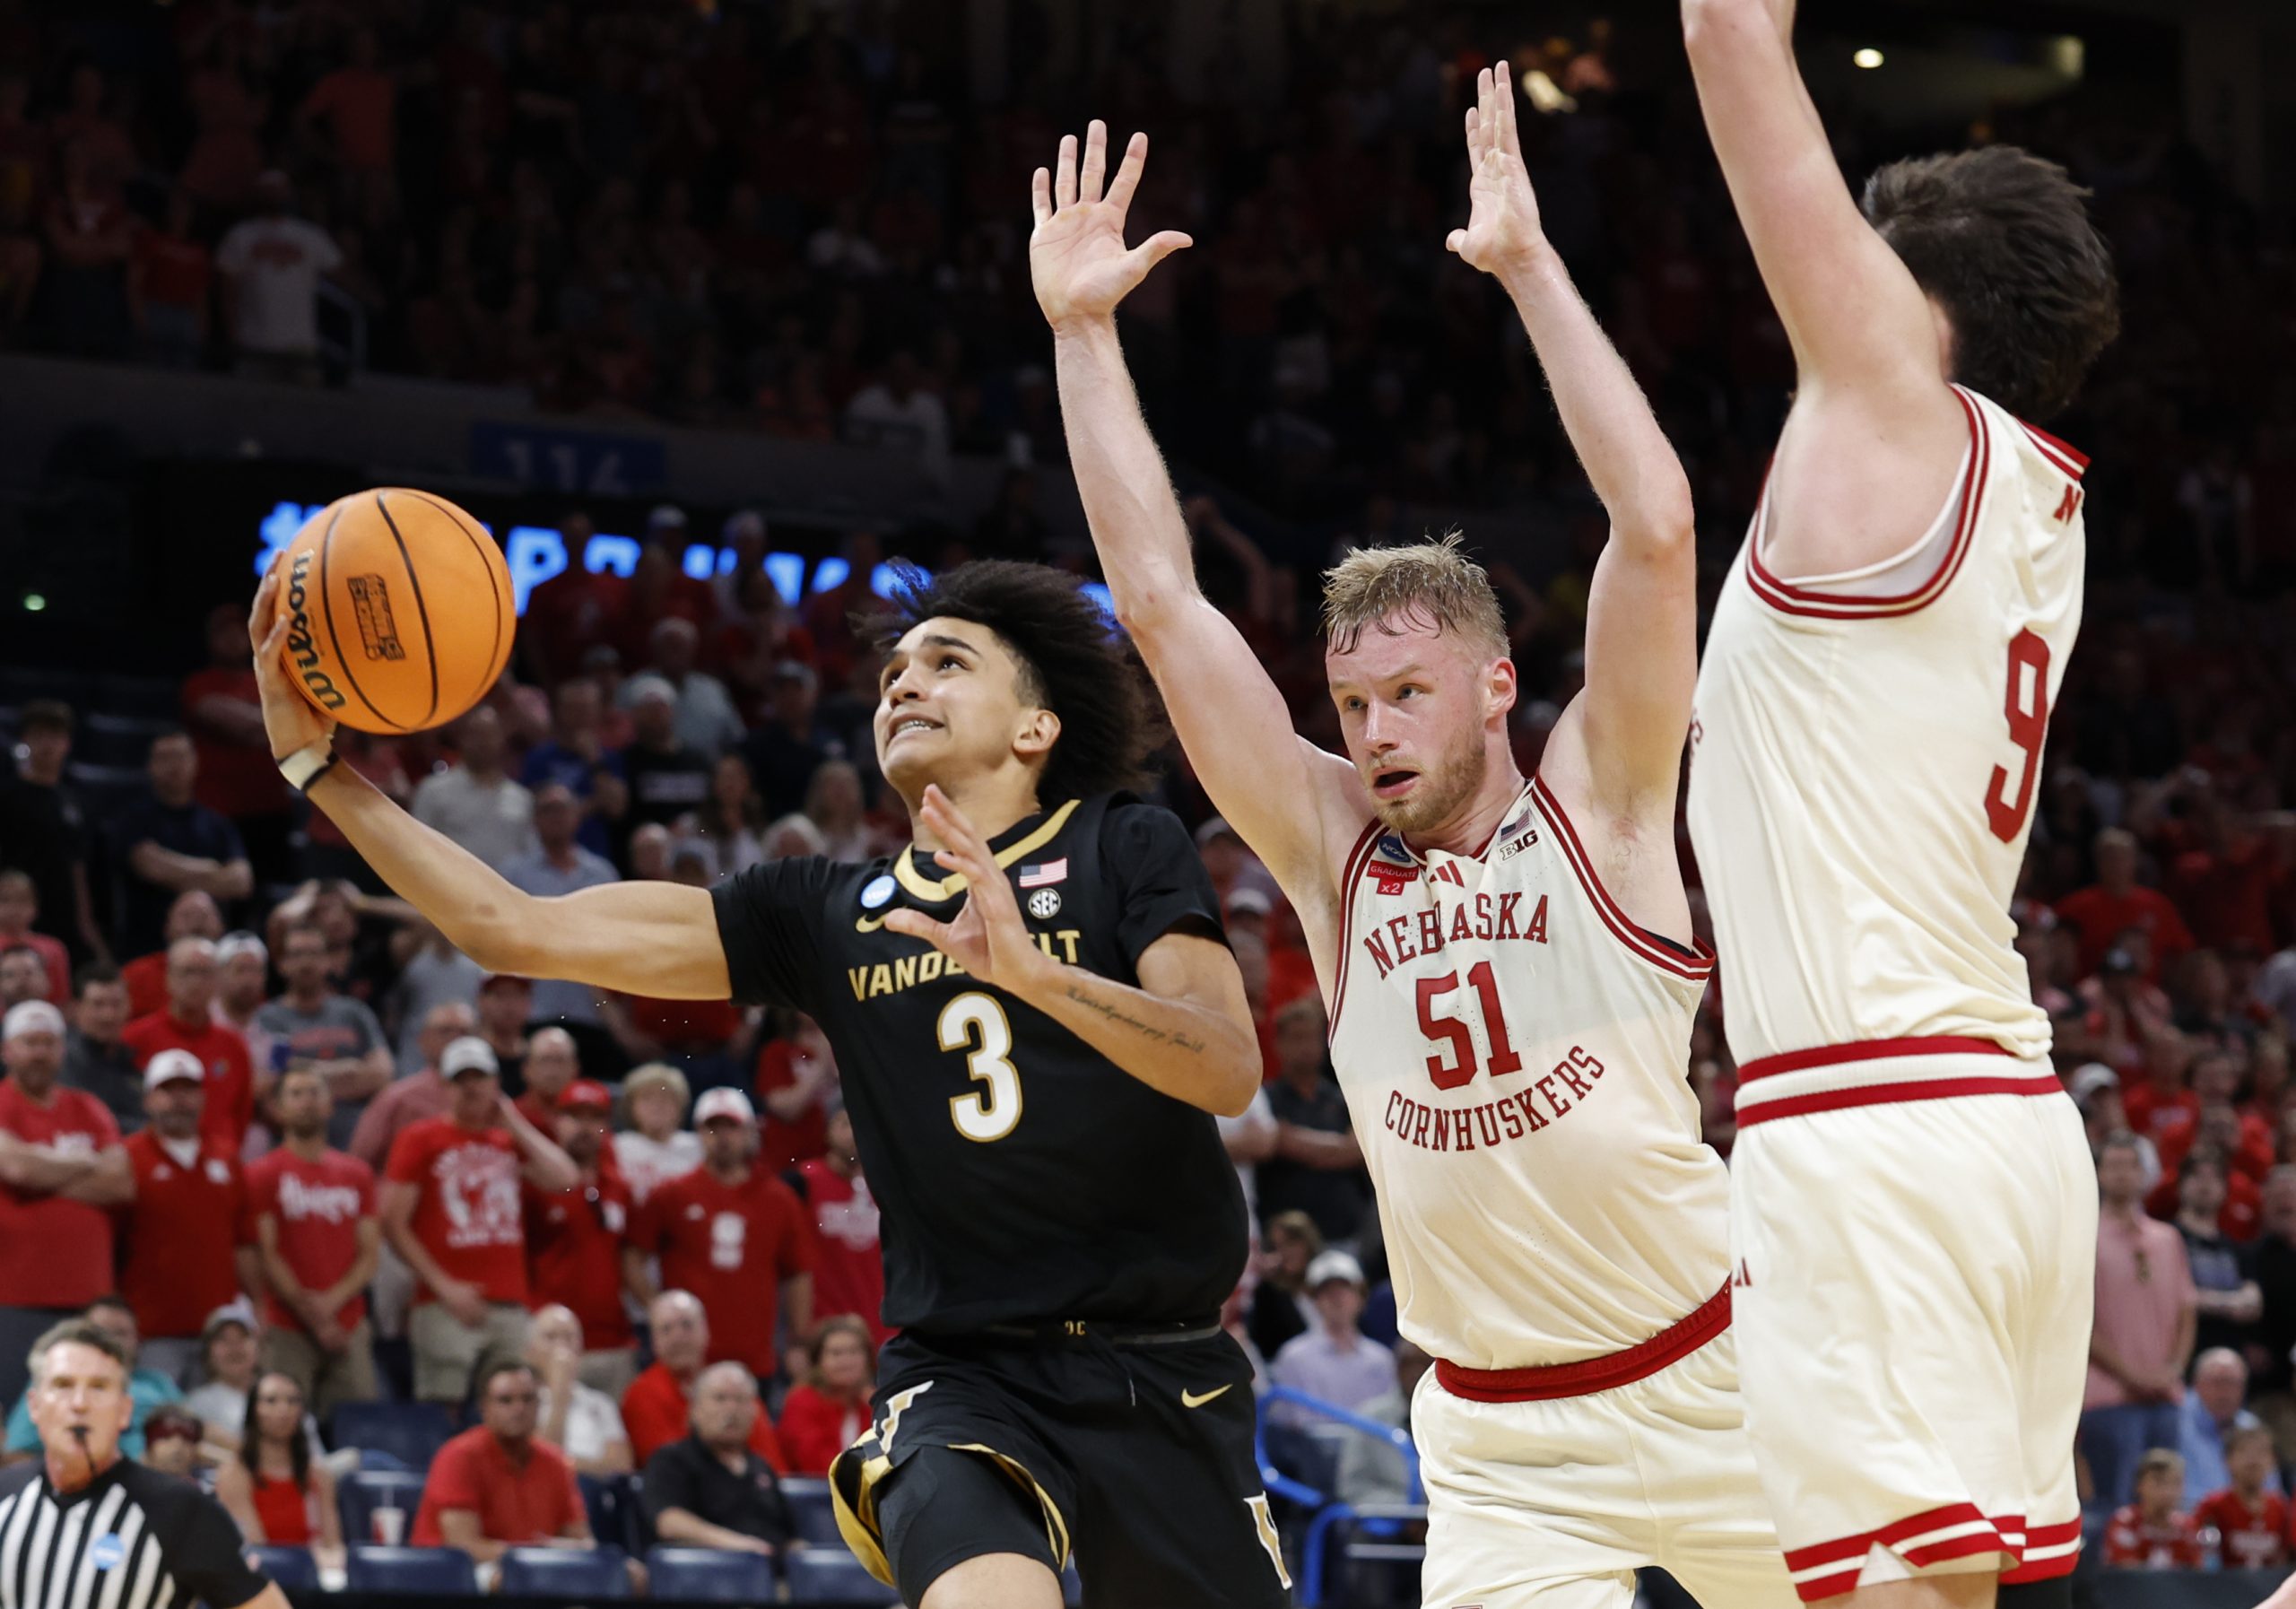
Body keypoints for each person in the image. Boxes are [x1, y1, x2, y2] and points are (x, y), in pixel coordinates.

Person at [251, 513, 1272, 1609]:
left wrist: (1038, 976)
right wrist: (316, 766)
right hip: (966, 1375)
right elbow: (512, 926)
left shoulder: (1123, 843)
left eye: (946, 660)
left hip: (1162, 1364)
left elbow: (1223, 1067)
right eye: (891, 670)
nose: (902, 682)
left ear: (1034, 727)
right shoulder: (822, 913)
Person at [1048, 101, 1783, 1609]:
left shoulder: (1604, 794)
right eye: (1352, 702)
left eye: (1405, 693)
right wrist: (1081, 335)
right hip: (1500, 1443)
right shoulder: (1332, 847)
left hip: (1724, 1380)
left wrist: (1524, 268)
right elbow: (1163, 601)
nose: (1372, 729)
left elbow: (1654, 524)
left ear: (1495, 683)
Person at [1680, 0, 2122, 1594]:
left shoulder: (1887, 422)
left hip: (1870, 1121)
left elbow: (1731, 35)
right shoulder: (2019, 495)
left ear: (1908, 298)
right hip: (1998, 1124)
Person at [0, 1319, 287, 1609]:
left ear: (125, 1410)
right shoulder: (4, 1498)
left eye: (98, 1387)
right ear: (34, 1405)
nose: (79, 1403)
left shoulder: (180, 1510)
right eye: (63, 1385)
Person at [380, 1037, 578, 1405]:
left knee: (518, 1404)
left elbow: (566, 1178)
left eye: (480, 1077)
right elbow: (392, 1221)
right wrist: (443, 1286)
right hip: (444, 1302)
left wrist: (512, 1121)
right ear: (445, 1087)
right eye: (461, 1079)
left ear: (496, 1083)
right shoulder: (420, 1138)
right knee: (444, 1405)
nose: (471, 1087)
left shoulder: (507, 1140)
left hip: (511, 1302)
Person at [625, 1089, 813, 1382]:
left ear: (750, 1131)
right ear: (698, 1133)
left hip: (754, 1355)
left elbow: (798, 1272)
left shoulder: (780, 1199)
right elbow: (633, 1256)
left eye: (732, 1127)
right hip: (687, 1359)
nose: (722, 1137)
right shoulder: (671, 1194)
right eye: (712, 1128)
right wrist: (660, 1310)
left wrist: (799, 1340)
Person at [0, 1001, 132, 1406]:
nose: (39, 1052)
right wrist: (86, 1163)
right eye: (29, 1042)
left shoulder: (88, 1107)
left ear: (62, 1049)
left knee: (87, 1411)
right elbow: (16, 1168)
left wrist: (43, 1174)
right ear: (7, 1051)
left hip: (89, 1299)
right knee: (17, 1413)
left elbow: (121, 1183)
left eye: (48, 1042)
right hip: (16, 1297)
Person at [246, 1065, 380, 1416]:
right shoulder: (262, 1173)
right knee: (280, 1421)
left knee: (357, 1422)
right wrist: (316, 1317)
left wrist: (331, 1304)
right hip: (286, 1322)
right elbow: (267, 1253)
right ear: (278, 1108)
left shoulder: (358, 1174)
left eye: (314, 1092)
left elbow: (369, 1254)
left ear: (330, 1105)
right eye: (296, 1093)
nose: (306, 1101)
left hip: (348, 1321)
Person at [117, 1050, 250, 1383]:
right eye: (168, 1090)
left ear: (203, 1098)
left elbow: (245, 1241)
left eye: (188, 1090)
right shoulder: (126, 1157)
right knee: (159, 1420)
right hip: (152, 1329)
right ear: (148, 1099)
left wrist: (257, 1305)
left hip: (218, 1331)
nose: (179, 1100)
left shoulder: (227, 1156)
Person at [2085, 1131, 2198, 1509]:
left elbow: (2187, 1309)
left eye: (2130, 1165)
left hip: (2166, 1395)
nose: (2122, 1174)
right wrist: (2132, 1375)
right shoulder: (2085, 1237)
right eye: (2112, 1165)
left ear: (2145, 1173)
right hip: (2109, 1396)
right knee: (2117, 1506)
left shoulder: (2169, 1238)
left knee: (2168, 1506)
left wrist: (2174, 1368)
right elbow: (2081, 1322)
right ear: (2098, 1174)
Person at [411, 1360, 595, 1565]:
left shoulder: (555, 1462)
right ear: (484, 1408)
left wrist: (546, 1556)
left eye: (528, 1399)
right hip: (457, 1580)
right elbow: (462, 1548)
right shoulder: (459, 1456)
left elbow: (583, 1542)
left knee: (632, 1574)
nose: (519, 1409)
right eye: (506, 1400)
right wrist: (536, 1556)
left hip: (536, 1575)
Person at [525, 1081, 638, 1396]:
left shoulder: (620, 1187)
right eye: (574, 1117)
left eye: (594, 1118)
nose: (584, 1128)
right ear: (556, 1122)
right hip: (551, 1340)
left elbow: (631, 1260)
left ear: (607, 1126)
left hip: (612, 1341)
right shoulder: (536, 1185)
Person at [111, 734, 253, 960]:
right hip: (148, 948)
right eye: (164, 758)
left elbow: (241, 882)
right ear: (150, 766)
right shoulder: (134, 820)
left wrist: (176, 875)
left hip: (213, 951)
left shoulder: (217, 824)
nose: (173, 765)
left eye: (180, 756)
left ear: (195, 762)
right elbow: (151, 867)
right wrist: (210, 869)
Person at [4, 1297, 186, 1465]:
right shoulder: (54, 1381)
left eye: (120, 1333)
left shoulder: (158, 1383)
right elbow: (13, 1454)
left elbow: (198, 1432)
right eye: (98, 1331)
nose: (108, 1340)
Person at [622, 1292, 788, 1472]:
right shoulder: (641, 1394)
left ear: (706, 1331)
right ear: (653, 1341)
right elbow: (667, 1465)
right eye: (666, 1329)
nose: (678, 1337)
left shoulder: (734, 1386)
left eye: (687, 1325)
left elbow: (773, 1465)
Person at [640, 1362, 795, 1557]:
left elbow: (789, 1534)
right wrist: (739, 1546)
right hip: (709, 1575)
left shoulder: (761, 1466)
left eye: (740, 1400)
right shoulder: (671, 1460)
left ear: (755, 1412)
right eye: (720, 1398)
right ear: (694, 1410)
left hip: (775, 1575)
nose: (731, 1409)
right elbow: (669, 1522)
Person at [253, 923, 393, 1135]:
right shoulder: (266, 1018)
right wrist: (344, 1070)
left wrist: (296, 1072)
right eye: (297, 954)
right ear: (281, 963)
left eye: (314, 953)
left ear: (328, 961)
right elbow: (264, 1086)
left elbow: (382, 1074)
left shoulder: (354, 1012)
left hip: (354, 1141)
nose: (306, 962)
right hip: (292, 1144)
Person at [119, 937, 256, 1154]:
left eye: (205, 973)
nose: (196, 982)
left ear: (218, 981)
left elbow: (241, 1115)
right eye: (187, 972)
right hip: (153, 1164)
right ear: (168, 979)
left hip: (218, 1166)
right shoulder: (134, 1038)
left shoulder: (234, 1045)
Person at [213, 1371, 343, 1567]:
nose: (284, 1409)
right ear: (254, 1411)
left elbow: (333, 1546)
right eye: (271, 1401)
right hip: (264, 1580)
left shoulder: (320, 1476)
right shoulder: (234, 1475)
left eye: (292, 1401)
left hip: (316, 1581)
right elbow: (254, 1548)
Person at [790, 1100, 887, 1344]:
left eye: (859, 1124)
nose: (852, 1133)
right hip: (823, 1337)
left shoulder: (890, 1186)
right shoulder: (802, 1182)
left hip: (885, 1330)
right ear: (827, 1130)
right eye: (844, 1123)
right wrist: (797, 1338)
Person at [346, 1001, 475, 1170]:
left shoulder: (488, 1100)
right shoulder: (397, 1098)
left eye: (464, 1033)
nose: (456, 1040)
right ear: (423, 1039)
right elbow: (359, 1161)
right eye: (445, 1031)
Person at [1268, 1251, 1394, 1418]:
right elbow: (1285, 1423)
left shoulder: (1381, 1360)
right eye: (1327, 1291)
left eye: (1344, 1289)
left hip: (1369, 1442)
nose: (1337, 1298)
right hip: (1311, 1443)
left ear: (1360, 1297)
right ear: (1315, 1301)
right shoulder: (1293, 1357)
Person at [412, 709, 537, 873]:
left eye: (489, 735)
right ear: (461, 739)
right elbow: (417, 847)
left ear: (502, 739)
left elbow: (531, 854)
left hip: (507, 891)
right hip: (452, 889)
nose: (483, 742)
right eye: (476, 735)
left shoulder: (521, 797)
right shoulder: (433, 790)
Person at [526, 1305, 633, 1477]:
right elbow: (539, 1467)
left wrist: (567, 1464)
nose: (561, 1345)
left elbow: (621, 1467)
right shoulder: (522, 1402)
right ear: (529, 1352)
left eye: (569, 1337)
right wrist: (559, 1395)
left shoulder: (601, 1403)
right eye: (551, 1337)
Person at [776, 1317, 875, 1477]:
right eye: (836, 1353)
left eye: (854, 1352)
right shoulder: (802, 1402)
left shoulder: (873, 1404)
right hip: (813, 1496)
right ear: (818, 1361)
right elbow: (815, 1464)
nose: (846, 1361)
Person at [2179, 1347, 2273, 1508]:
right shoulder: (2176, 1421)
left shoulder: (2251, 1427)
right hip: (2188, 1521)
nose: (2226, 1392)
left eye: (2234, 1384)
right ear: (2196, 1384)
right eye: (2218, 1382)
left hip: (2241, 1521)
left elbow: (2270, 1491)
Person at [2191, 1423, 2288, 1570]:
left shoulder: (2281, 1508)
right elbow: (2197, 1559)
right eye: (2244, 1451)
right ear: (2227, 1460)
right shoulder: (2213, 1507)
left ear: (2273, 1461)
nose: (2253, 1459)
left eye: (2261, 1452)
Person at [57, 965, 141, 1132]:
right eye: (98, 1004)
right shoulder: (61, 1058)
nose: (108, 1016)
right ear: (76, 1008)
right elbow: (82, 1119)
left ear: (129, 1007)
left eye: (116, 1004)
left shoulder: (134, 1058)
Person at [612, 1063, 701, 1205]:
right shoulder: (615, 1147)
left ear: (681, 1106)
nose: (657, 1105)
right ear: (631, 1107)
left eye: (666, 1098)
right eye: (647, 1097)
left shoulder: (699, 1148)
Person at [2100, 1448, 2200, 1570]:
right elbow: (2128, 1577)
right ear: (2139, 1485)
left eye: (2176, 1483)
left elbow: (2197, 1578)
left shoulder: (2187, 1528)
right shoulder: (2124, 1522)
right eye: (2159, 1482)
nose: (2168, 1491)